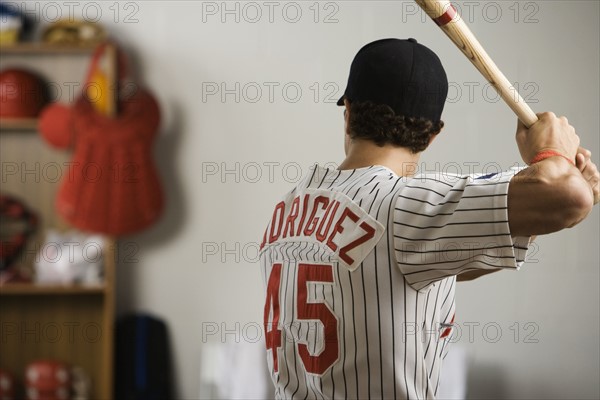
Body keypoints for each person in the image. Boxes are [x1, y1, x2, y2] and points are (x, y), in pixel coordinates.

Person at [259, 38, 599, 399]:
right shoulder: (404, 207)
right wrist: (551, 155)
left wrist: (536, 214)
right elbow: (568, 196)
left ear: (349, 113)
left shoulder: (291, 206)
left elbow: (419, 264)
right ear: (433, 133)